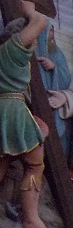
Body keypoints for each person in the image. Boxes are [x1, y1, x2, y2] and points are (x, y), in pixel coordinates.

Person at [0, 0, 57, 228]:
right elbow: (41, 22)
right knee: (34, 166)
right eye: (31, 40)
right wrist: (31, 10)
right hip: (12, 111)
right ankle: (32, 218)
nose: (33, 46)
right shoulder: (15, 48)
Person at [36, 24, 73, 163]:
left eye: (52, 30)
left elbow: (65, 77)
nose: (52, 34)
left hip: (57, 103)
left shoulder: (57, 53)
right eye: (49, 30)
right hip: (44, 100)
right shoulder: (35, 51)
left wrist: (54, 68)